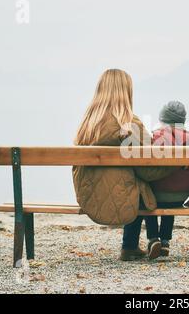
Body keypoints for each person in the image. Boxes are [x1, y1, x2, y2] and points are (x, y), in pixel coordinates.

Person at [72, 69, 175, 261]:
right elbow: (148, 169)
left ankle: (130, 246)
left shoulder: (87, 125)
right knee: (140, 182)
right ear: (127, 92)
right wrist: (173, 166)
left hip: (89, 195)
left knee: (128, 179)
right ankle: (140, 242)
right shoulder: (130, 125)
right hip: (123, 199)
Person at [145, 101, 189, 259]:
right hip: (180, 195)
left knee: (148, 201)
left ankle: (153, 238)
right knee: (170, 199)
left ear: (162, 117)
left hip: (155, 194)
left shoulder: (155, 136)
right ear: (182, 119)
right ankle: (165, 241)